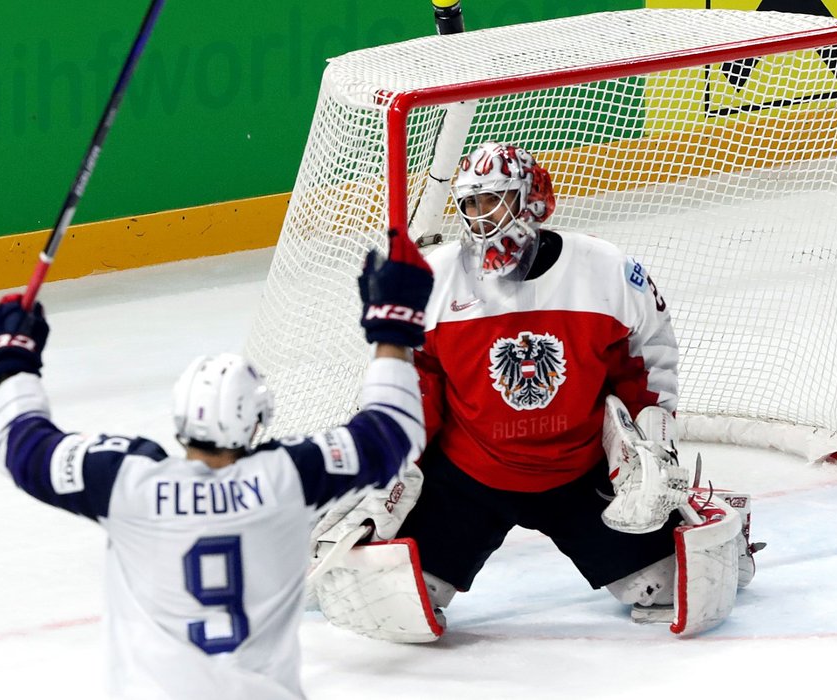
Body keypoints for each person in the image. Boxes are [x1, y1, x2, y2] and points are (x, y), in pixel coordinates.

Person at [309, 142, 759, 642]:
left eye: (495, 200)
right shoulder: (435, 279)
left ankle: (707, 514)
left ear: (532, 197)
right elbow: (418, 383)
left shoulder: (605, 269)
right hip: (468, 476)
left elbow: (646, 360)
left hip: (578, 473)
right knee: (390, 600)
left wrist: (653, 443)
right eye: (471, 204)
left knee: (668, 587)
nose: (482, 217)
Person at [0, 229, 433, 698]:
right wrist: (391, 332)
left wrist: (15, 367)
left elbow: (21, 448)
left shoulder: (128, 483)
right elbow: (393, 429)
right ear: (256, 421)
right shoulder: (287, 479)